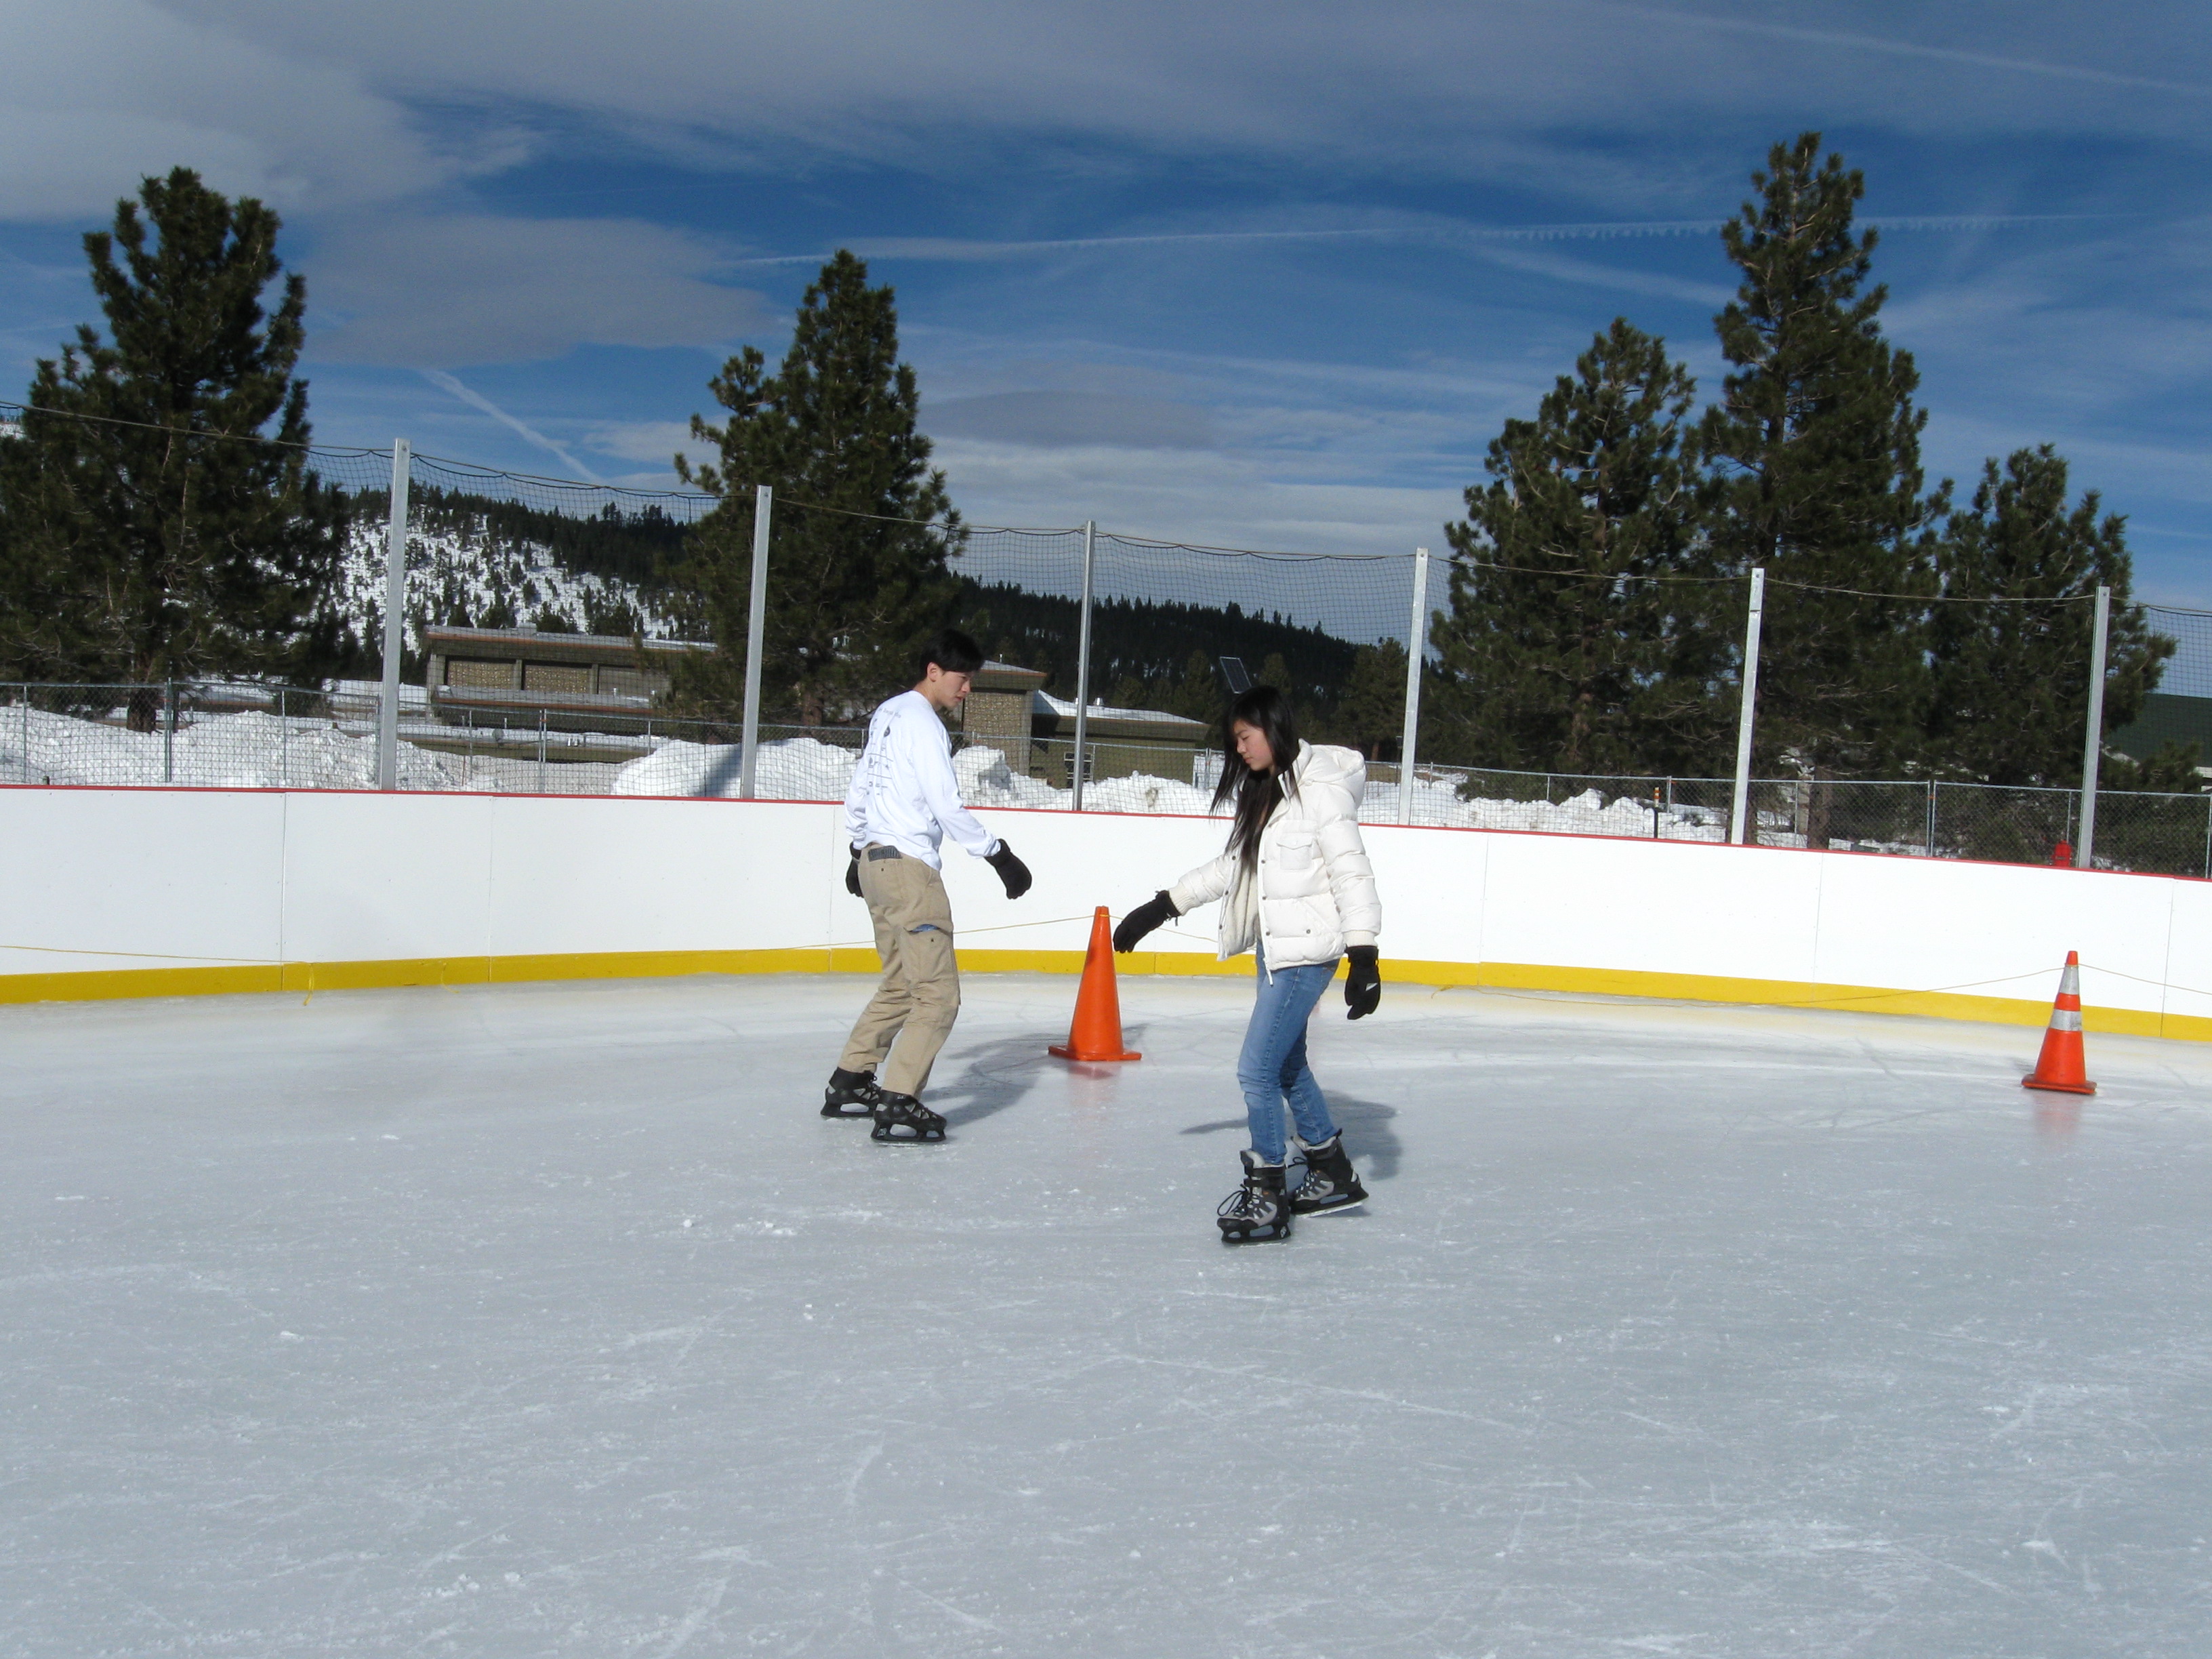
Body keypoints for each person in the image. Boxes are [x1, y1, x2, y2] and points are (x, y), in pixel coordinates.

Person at [1111, 685, 1381, 1241]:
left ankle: (1268, 1193)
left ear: (1273, 727)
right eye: (1234, 740)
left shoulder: (1322, 792)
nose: (1238, 749)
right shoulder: (1268, 791)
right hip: (1276, 950)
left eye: (1244, 737)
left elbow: (1352, 872)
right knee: (1284, 1065)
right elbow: (1232, 867)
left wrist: (1364, 955)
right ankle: (1331, 1170)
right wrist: (1162, 907)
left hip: (1308, 954)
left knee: (1255, 1069)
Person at [823, 628, 1033, 1143]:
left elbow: (860, 788)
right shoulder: (924, 724)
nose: (968, 689)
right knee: (937, 996)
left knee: (900, 984)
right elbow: (945, 803)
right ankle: (899, 1099)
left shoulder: (888, 713)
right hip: (909, 871)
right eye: (963, 679)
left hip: (875, 863)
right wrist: (997, 854)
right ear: (933, 671)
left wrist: (857, 850)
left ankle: (851, 1079)